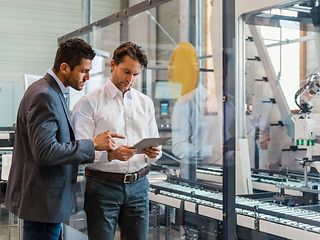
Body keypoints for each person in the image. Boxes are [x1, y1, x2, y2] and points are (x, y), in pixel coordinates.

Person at [5, 38, 124, 240]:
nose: (87, 77)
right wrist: (93, 143)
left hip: (45, 202)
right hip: (43, 203)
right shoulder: (45, 95)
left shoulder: (49, 91)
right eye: (84, 71)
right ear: (65, 67)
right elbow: (44, 152)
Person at [72, 41, 161, 240]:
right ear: (113, 65)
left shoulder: (145, 103)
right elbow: (80, 150)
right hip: (102, 187)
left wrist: (155, 153)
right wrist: (111, 155)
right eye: (126, 72)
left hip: (139, 186)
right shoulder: (89, 103)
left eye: (135, 75)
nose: (130, 79)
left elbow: (156, 146)